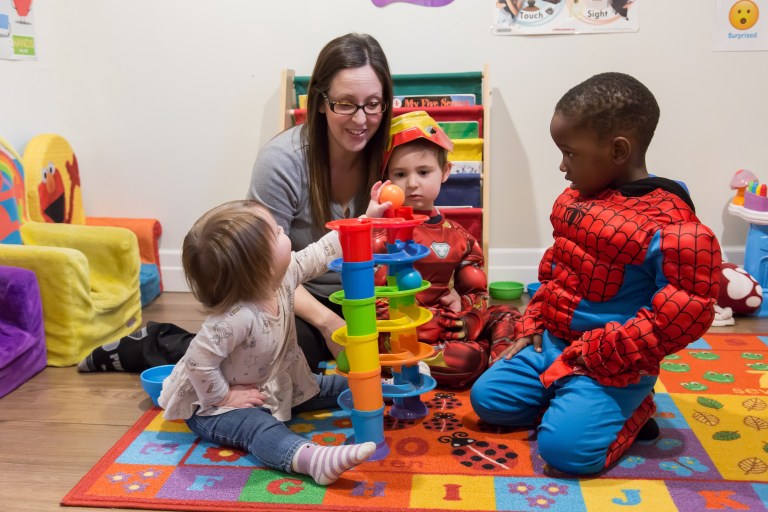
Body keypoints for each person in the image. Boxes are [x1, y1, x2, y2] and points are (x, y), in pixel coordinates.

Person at [78, 33, 394, 375]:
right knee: (264, 353)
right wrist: (329, 322)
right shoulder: (282, 161)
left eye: (373, 103)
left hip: (368, 298)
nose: (361, 119)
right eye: (345, 103)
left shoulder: (393, 157)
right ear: (319, 102)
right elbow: (263, 272)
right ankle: (155, 344)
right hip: (294, 296)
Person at [470, 72, 722, 475]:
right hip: (554, 341)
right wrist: (534, 318)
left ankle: (632, 410)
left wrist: (604, 350)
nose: (562, 165)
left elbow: (682, 314)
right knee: (488, 400)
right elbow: (557, 269)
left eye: (570, 153)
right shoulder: (576, 201)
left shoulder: (673, 226)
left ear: (618, 150)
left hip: (611, 362)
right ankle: (569, 400)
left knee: (566, 453)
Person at [159, 183, 392, 486]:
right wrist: (224, 395)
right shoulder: (234, 319)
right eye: (277, 233)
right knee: (260, 427)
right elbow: (196, 362)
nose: (284, 228)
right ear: (260, 265)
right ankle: (309, 459)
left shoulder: (284, 275)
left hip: (270, 383)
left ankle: (379, 390)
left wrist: (366, 220)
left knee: (321, 386)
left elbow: (321, 252)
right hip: (214, 408)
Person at [375, 111, 520, 388]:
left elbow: (476, 292)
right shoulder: (382, 233)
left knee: (508, 314)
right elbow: (373, 298)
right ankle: (467, 364)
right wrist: (421, 323)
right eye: (400, 174)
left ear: (445, 172)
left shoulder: (460, 236)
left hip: (449, 329)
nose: (413, 183)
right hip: (401, 335)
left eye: (424, 172)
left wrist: (466, 318)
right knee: (468, 360)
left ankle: (502, 372)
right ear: (387, 179)